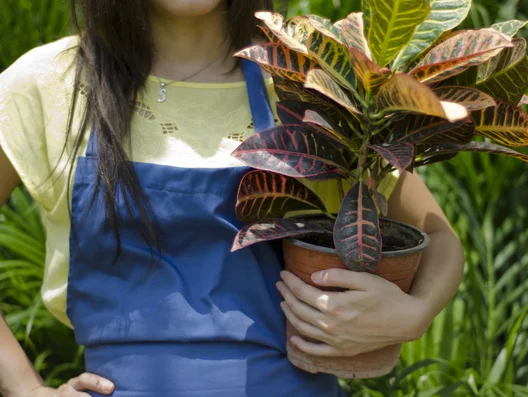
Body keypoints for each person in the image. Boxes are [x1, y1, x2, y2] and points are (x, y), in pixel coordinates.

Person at [0, 0, 465, 396]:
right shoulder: (49, 84)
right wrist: (24, 387)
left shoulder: (310, 86)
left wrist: (414, 315)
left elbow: (439, 237)